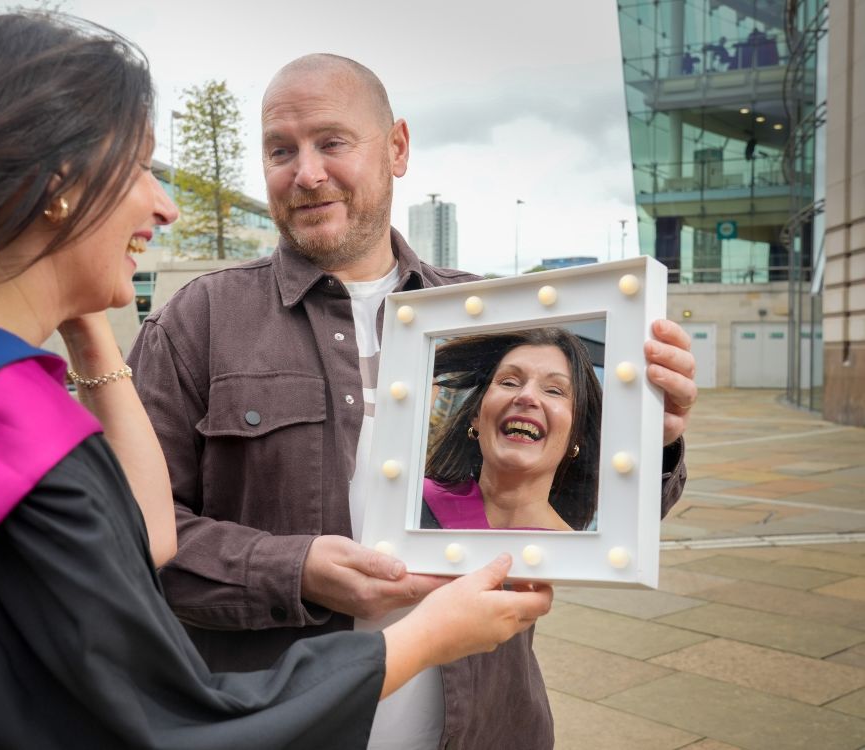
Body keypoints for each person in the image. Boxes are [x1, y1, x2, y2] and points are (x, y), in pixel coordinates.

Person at [0, 17, 555, 747]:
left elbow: (139, 539)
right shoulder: (21, 440)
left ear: (396, 148)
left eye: (332, 142)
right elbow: (161, 710)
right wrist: (413, 628)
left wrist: (636, 432)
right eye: (139, 167)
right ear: (55, 187)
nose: (164, 203)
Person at [129, 53, 697, 749]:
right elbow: (137, 542)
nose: (306, 173)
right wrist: (295, 570)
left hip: (485, 726)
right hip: (280, 729)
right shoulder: (198, 322)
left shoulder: (493, 316)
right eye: (281, 150)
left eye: (332, 142)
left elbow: (588, 522)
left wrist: (654, 434)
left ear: (396, 148)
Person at [421, 328, 602, 531]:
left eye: (553, 390)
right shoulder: (407, 504)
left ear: (576, 435)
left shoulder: (581, 557)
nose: (527, 396)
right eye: (509, 382)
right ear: (476, 416)